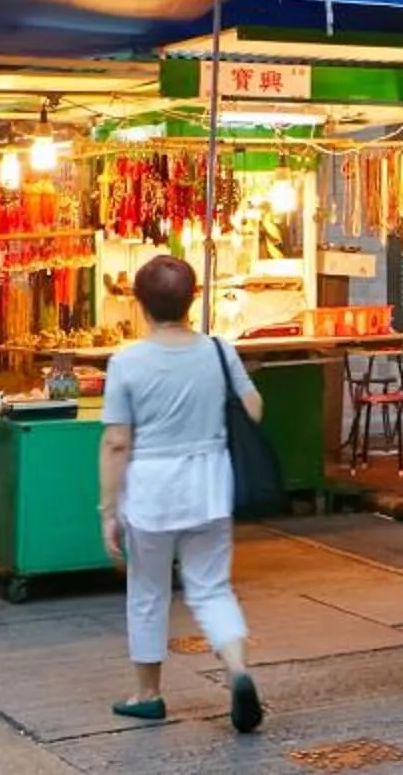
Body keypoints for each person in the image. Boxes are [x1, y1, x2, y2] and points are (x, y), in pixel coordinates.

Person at [97, 255, 265, 732]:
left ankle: (148, 694)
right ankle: (236, 669)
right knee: (212, 587)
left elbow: (116, 441)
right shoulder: (217, 350)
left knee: (148, 590)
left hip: (151, 488)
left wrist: (108, 509)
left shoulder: (127, 361)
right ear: (192, 300)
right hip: (210, 482)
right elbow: (254, 408)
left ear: (140, 304)